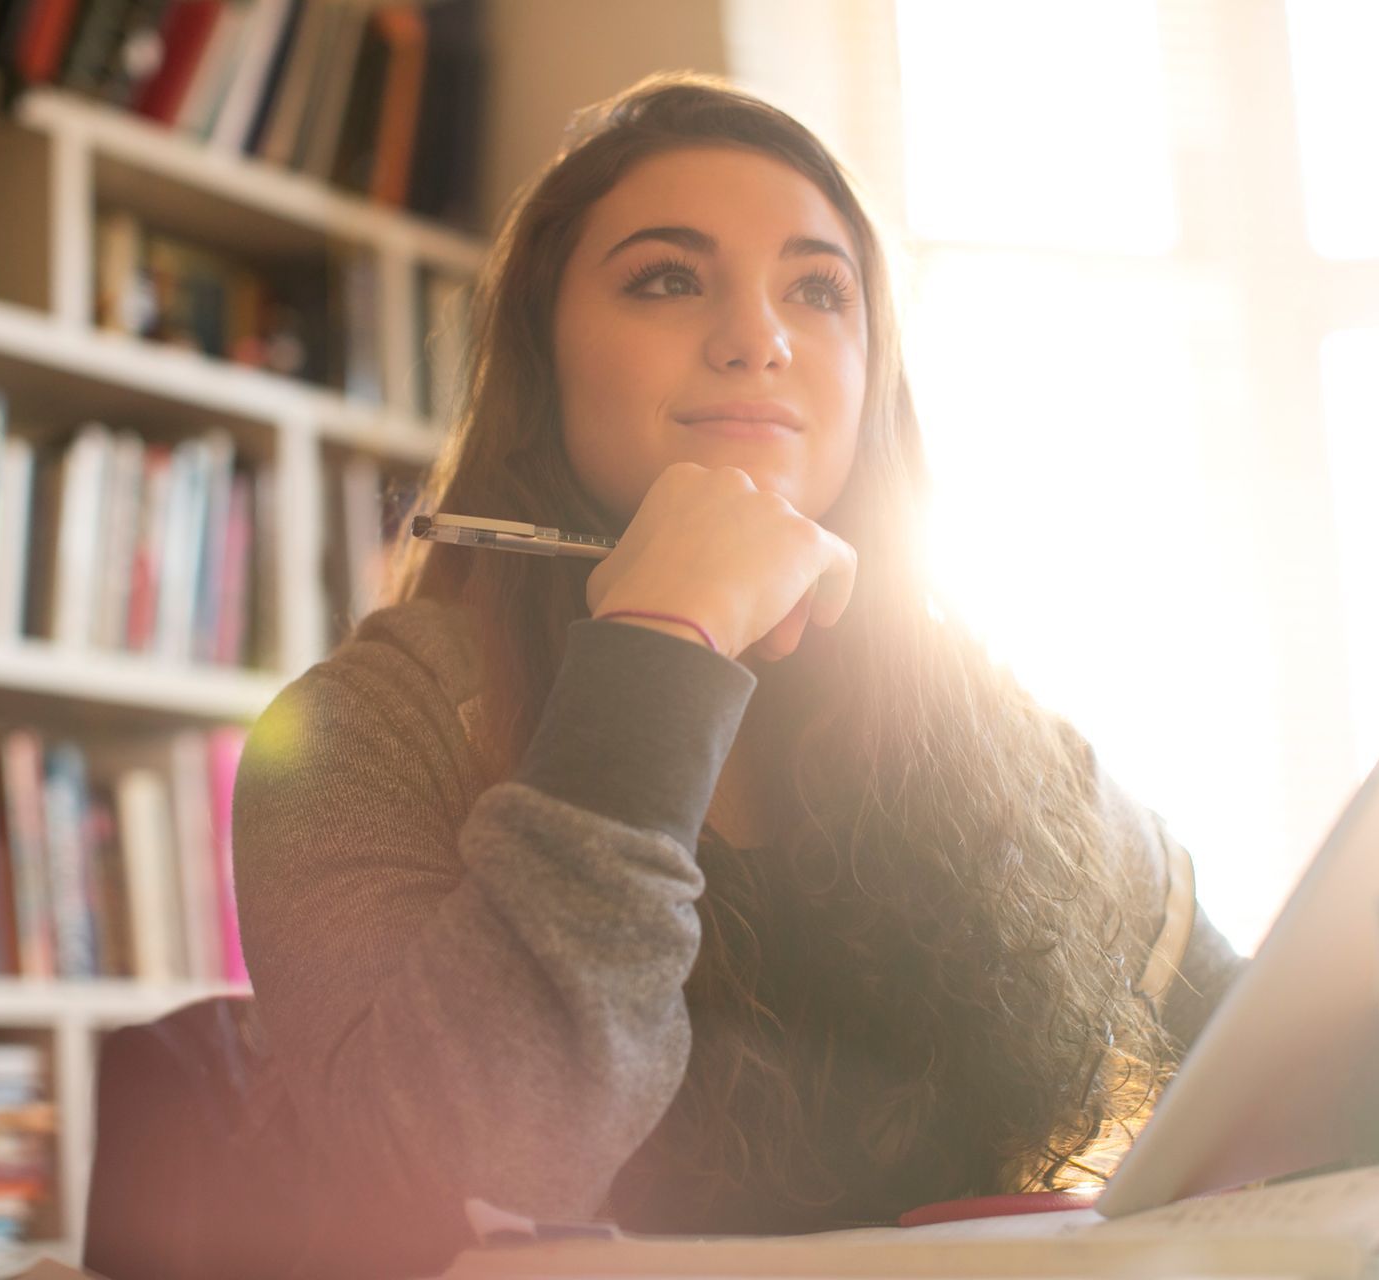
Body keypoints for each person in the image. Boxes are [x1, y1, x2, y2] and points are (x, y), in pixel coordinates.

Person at [232, 70, 1246, 1279]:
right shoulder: (365, 729)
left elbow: (1258, 1046)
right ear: (542, 364)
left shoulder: (992, 728)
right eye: (668, 277)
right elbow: (466, 1161)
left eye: (819, 289)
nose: (759, 336)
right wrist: (664, 637)